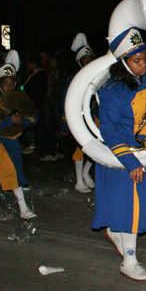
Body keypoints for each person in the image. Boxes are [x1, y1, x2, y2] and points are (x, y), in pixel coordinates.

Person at [93, 27, 146, 281]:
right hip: (124, 157)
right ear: (122, 62)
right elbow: (109, 131)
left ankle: (115, 234)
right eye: (136, 60)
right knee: (130, 212)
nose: (143, 64)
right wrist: (129, 161)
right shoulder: (112, 90)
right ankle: (129, 262)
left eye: (145, 59)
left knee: (142, 207)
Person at [0, 51, 39, 220]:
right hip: (0, 144)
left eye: (12, 84)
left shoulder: (18, 101)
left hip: (13, 142)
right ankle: (23, 209)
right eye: (5, 84)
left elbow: (33, 118)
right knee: (13, 174)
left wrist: (21, 121)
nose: (9, 87)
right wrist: (8, 121)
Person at [63, 33, 97, 193]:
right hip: (80, 118)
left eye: (90, 59)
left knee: (97, 146)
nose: (89, 62)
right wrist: (66, 122)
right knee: (80, 149)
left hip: (95, 117)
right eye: (85, 60)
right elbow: (66, 101)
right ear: (79, 62)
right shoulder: (73, 78)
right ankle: (79, 180)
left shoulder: (99, 76)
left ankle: (86, 172)